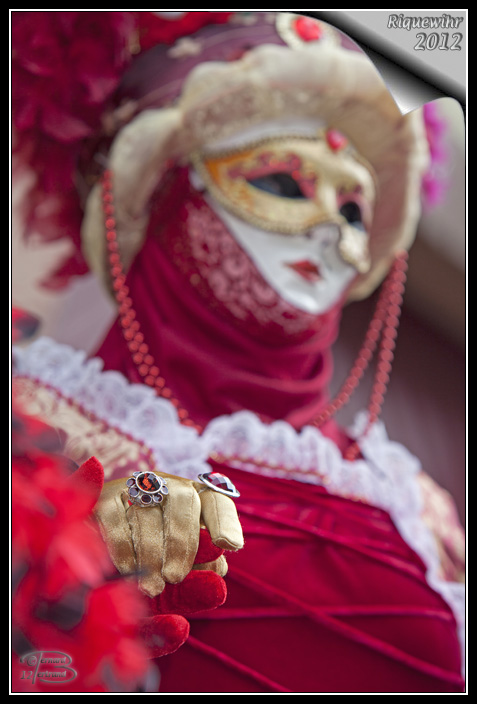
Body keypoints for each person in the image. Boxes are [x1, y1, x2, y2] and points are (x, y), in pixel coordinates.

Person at [12, 11, 465, 693]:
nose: (329, 232)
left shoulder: (418, 510)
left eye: (353, 211)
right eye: (281, 182)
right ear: (160, 195)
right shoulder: (31, 429)